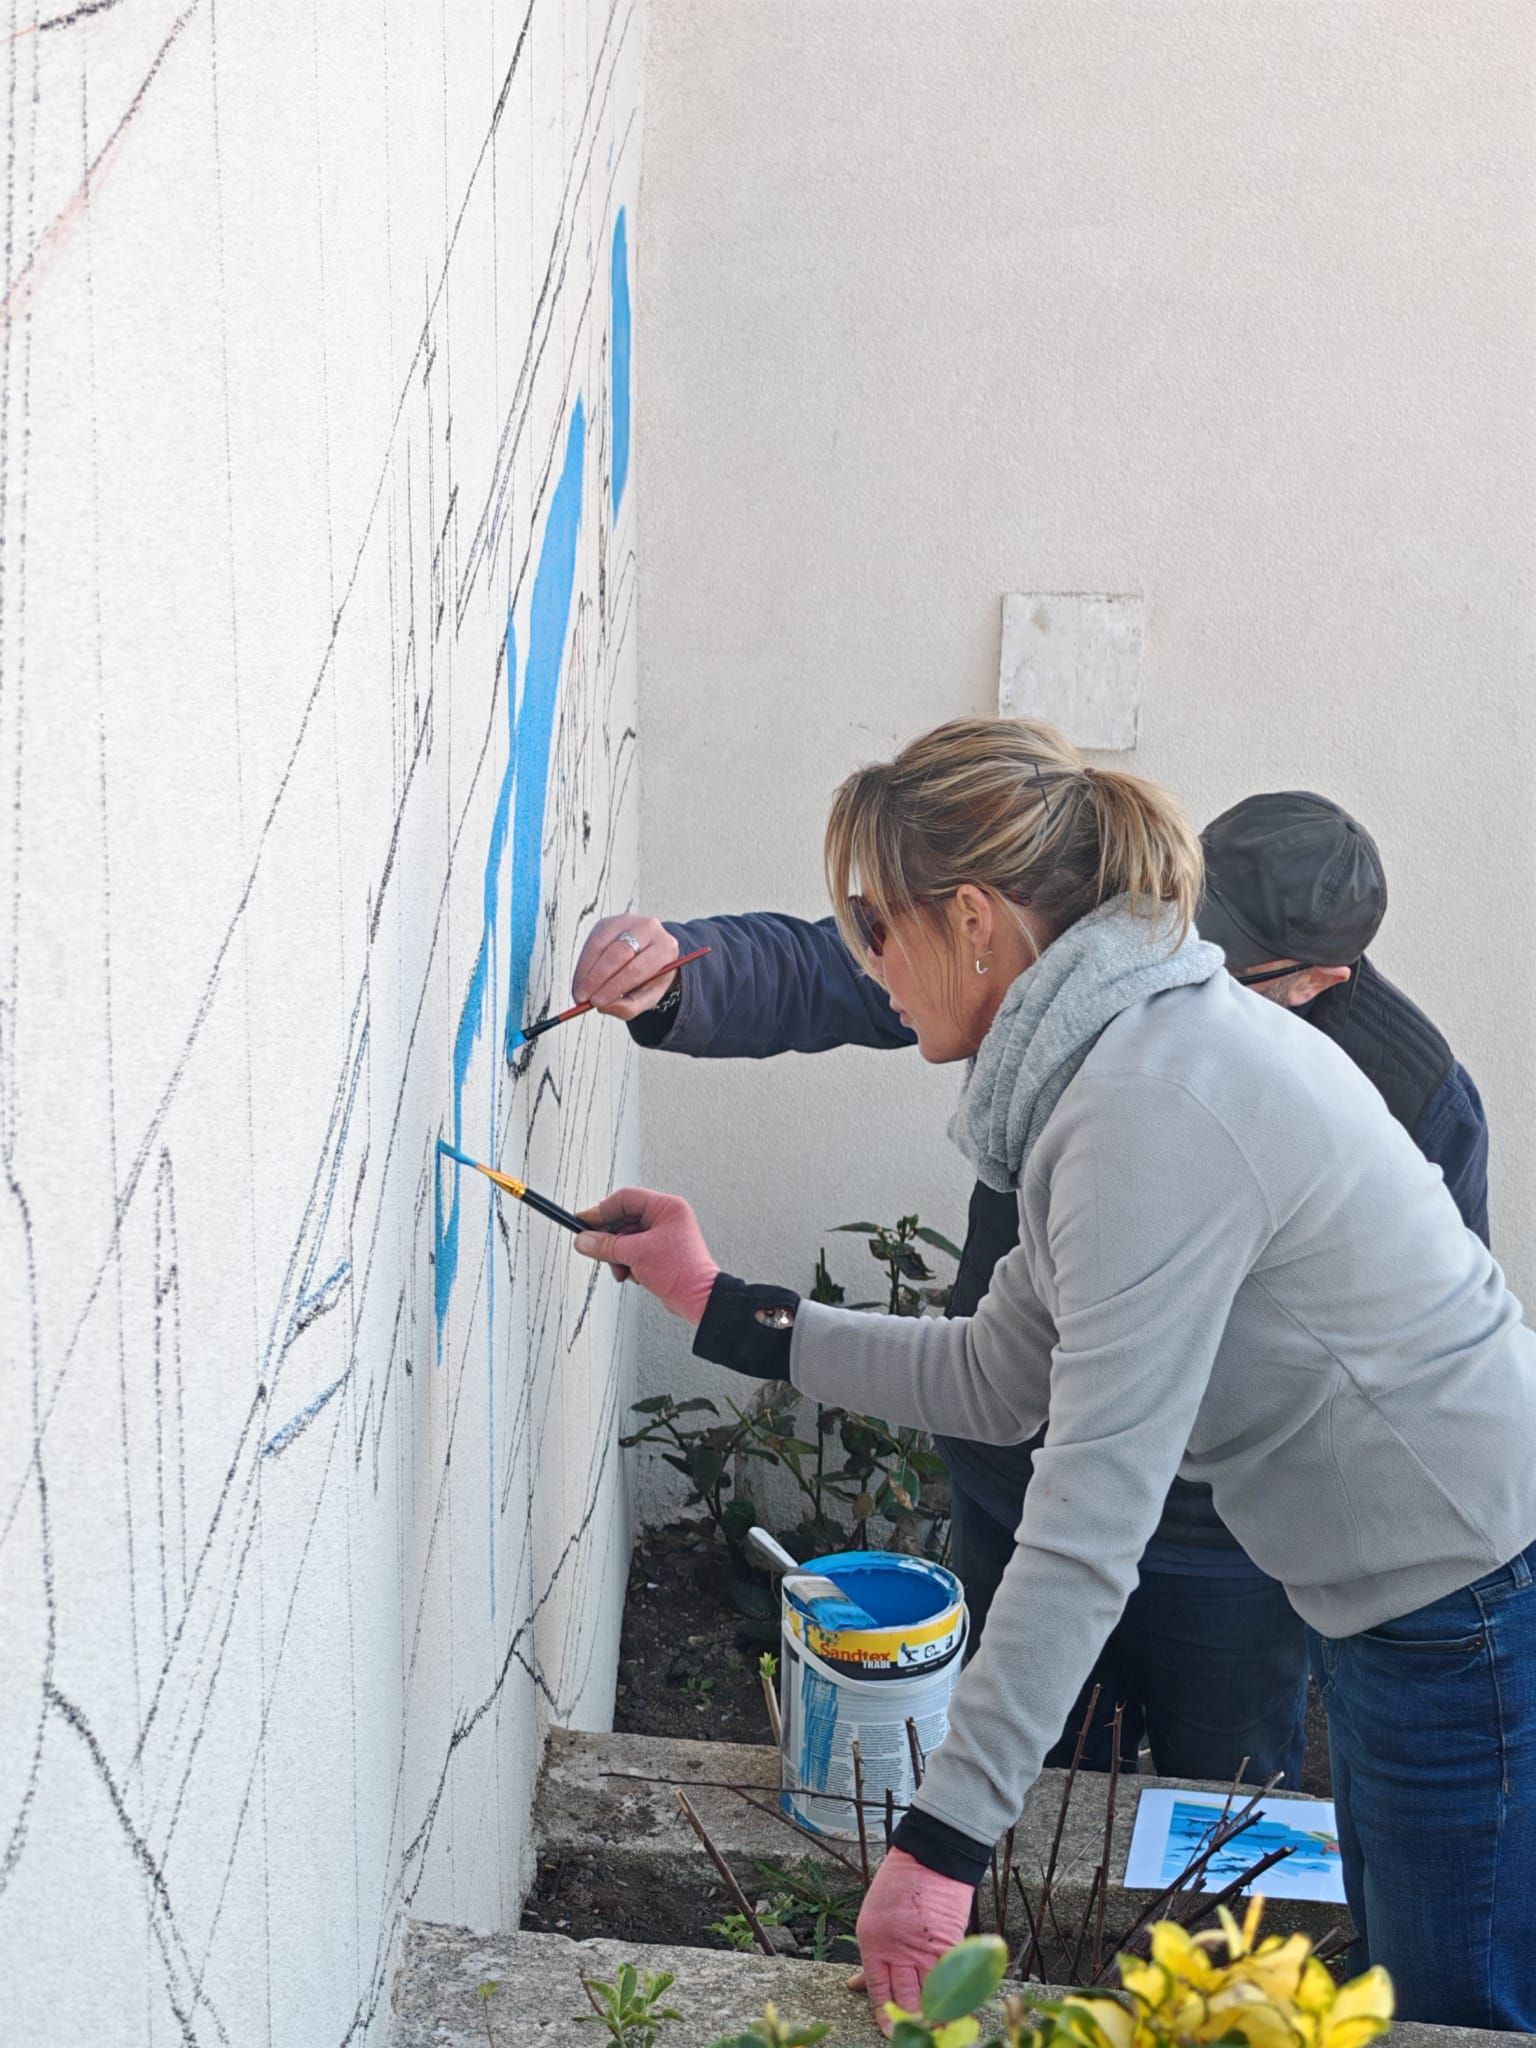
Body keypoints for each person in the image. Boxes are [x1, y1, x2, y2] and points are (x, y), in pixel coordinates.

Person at [571, 717, 1536, 2033]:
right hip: (1403, 1591)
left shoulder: (1154, 1103)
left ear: (974, 922)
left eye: (880, 935)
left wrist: (940, 1848)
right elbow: (997, 1374)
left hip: (1467, 1596)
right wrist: (714, 1301)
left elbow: (1088, 1524)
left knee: (1455, 2007)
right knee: (1415, 1983)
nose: (870, 972)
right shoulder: (1111, 1064)